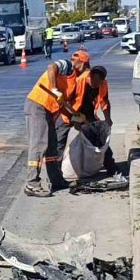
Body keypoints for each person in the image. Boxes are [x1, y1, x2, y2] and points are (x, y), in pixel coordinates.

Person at [23, 49, 91, 197]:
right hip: (38, 104)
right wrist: (54, 88)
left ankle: (56, 180)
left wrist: (75, 115)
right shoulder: (67, 66)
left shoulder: (75, 80)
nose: (84, 69)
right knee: (39, 144)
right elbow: (51, 68)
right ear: (81, 62)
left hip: (48, 110)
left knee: (52, 146)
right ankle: (32, 183)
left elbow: (63, 102)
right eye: (84, 65)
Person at [56, 65, 116, 175]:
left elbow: (104, 101)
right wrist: (75, 119)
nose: (96, 85)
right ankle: (56, 173)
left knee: (98, 136)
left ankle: (111, 167)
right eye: (94, 82)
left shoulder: (103, 84)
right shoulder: (78, 80)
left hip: (87, 113)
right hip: (69, 111)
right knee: (59, 142)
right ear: (90, 76)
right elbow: (65, 100)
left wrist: (108, 118)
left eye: (99, 83)